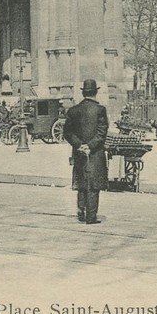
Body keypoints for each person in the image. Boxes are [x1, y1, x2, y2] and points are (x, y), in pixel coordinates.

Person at [63, 79, 109, 225]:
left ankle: (81, 211)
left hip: (79, 152)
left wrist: (80, 145)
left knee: (81, 181)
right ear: (96, 92)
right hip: (95, 152)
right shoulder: (100, 110)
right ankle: (91, 216)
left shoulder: (73, 110)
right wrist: (90, 146)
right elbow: (102, 132)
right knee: (93, 185)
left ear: (83, 93)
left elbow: (67, 133)